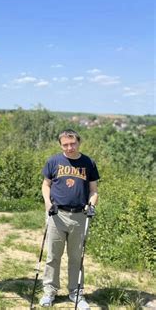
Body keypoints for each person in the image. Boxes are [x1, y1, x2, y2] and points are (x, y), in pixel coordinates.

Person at [39, 129, 99, 309]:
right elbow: (45, 185)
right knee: (53, 256)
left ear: (78, 142)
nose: (69, 148)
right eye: (65, 144)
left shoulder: (88, 162)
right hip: (57, 214)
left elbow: (93, 190)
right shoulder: (54, 161)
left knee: (76, 257)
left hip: (79, 215)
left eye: (72, 144)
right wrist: (48, 203)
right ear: (60, 145)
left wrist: (92, 204)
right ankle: (49, 291)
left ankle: (76, 293)